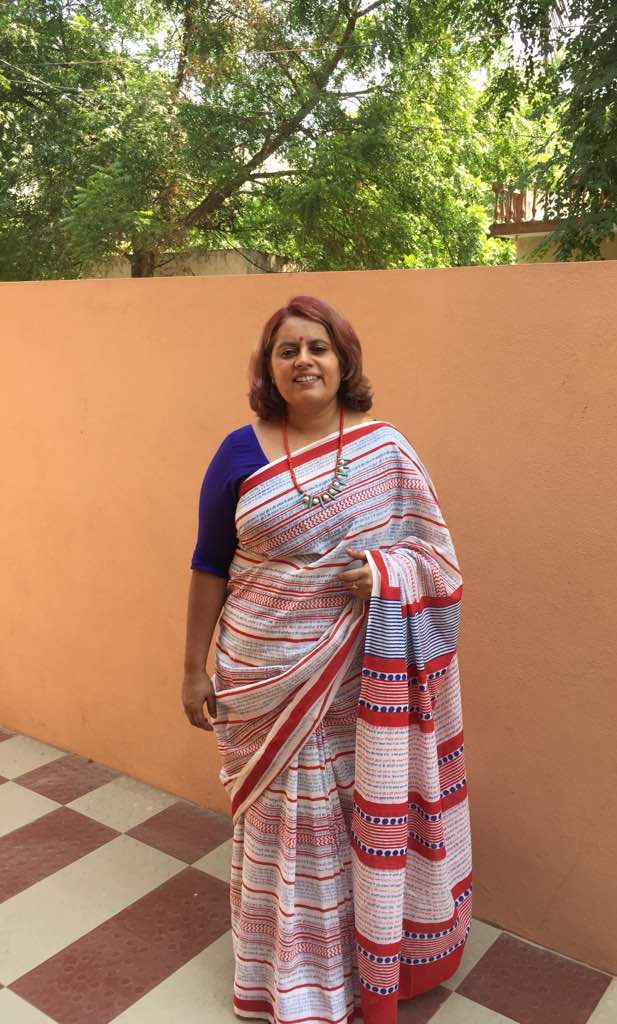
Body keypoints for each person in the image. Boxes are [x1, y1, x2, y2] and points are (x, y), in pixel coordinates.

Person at [182, 295, 471, 1024]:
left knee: (348, 816)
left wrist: (387, 574)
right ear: (269, 367)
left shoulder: (387, 451)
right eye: (287, 350)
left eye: (318, 347)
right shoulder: (237, 452)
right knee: (281, 822)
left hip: (355, 674)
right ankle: (286, 975)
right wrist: (192, 668)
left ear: (343, 361)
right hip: (260, 671)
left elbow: (438, 561)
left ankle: (358, 965)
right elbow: (209, 564)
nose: (303, 361)